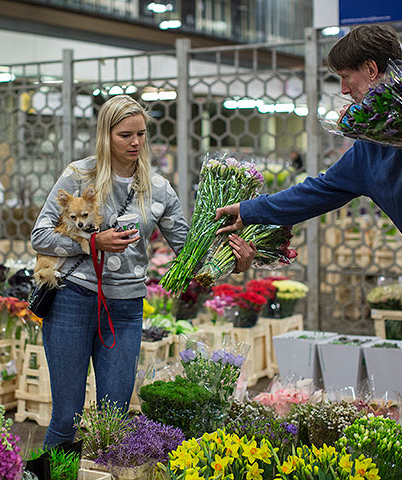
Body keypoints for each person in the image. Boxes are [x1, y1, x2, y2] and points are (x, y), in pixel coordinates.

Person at [216, 24, 402, 478]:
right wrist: (250, 211)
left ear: (371, 69)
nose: (343, 90)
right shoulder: (372, 144)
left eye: (345, 78)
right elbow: (321, 190)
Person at [31, 95, 255, 448]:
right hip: (71, 302)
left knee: (114, 419)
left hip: (125, 309)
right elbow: (39, 236)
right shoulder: (78, 175)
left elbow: (189, 252)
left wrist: (232, 261)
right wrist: (92, 243)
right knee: (66, 417)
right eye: (125, 135)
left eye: (141, 134)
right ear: (106, 135)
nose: (135, 142)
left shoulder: (158, 187)